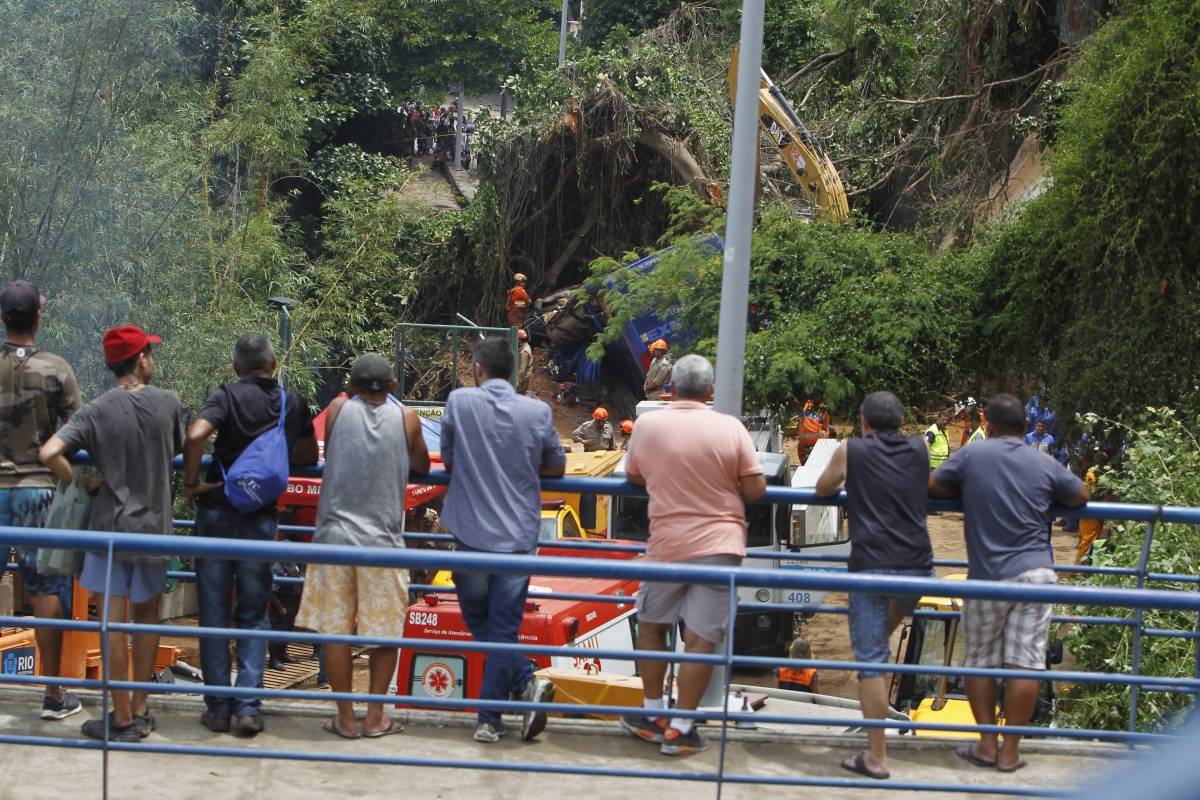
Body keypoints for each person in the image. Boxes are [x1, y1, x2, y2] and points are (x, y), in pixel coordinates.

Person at [929, 393, 1089, 773]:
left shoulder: (973, 455)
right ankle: (1011, 753)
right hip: (1036, 574)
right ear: (1024, 426)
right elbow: (1081, 495)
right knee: (1027, 664)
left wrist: (968, 488)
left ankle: (986, 746)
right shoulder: (1043, 460)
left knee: (980, 661)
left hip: (989, 578)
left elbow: (934, 487)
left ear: (990, 425)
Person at [39, 325, 183, 743]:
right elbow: (174, 449)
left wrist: (82, 482)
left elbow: (49, 453)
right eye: (149, 354)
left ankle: (119, 717)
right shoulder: (169, 403)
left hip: (110, 531)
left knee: (113, 623)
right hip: (155, 529)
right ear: (140, 359)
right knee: (148, 616)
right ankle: (141, 708)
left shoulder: (96, 410)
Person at [619, 354, 766, 757]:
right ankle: (682, 729)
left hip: (666, 545)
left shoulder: (648, 424)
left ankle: (652, 715)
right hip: (720, 547)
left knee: (650, 624)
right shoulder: (729, 427)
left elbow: (633, 475)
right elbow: (754, 491)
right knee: (701, 640)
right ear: (710, 392)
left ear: (670, 388)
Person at [182, 333, 317, 737]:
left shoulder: (226, 395)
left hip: (217, 513)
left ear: (237, 367)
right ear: (273, 364)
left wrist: (191, 483)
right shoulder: (292, 402)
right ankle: (248, 708)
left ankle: (219, 707)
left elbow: (194, 436)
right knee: (254, 612)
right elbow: (309, 456)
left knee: (214, 611)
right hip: (260, 518)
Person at [295, 354, 429, 740]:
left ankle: (345, 719)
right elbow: (420, 464)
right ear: (392, 387)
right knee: (384, 631)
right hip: (383, 542)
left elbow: (337, 445)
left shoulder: (337, 409)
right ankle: (375, 718)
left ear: (350, 387)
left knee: (336, 631)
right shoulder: (407, 418)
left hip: (334, 539)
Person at [440, 337, 565, 743]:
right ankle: (522, 685)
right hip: (517, 537)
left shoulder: (459, 403)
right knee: (502, 628)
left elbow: (451, 458)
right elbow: (556, 466)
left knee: (483, 621)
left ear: (477, 369)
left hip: (472, 534)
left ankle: (491, 717)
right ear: (513, 372)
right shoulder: (538, 411)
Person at [815, 390, 932, 780]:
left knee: (871, 662)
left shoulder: (853, 450)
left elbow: (823, 488)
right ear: (900, 422)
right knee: (879, 645)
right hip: (917, 568)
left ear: (864, 423)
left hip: (871, 567)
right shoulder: (920, 449)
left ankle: (877, 757)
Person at [0, 280, 83, 721]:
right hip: (36, 490)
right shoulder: (56, 369)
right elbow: (78, 429)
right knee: (44, 590)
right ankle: (54, 693)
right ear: (37, 317)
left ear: (2, 317)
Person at [516, 329, 533, 395]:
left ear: (519, 339)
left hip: (523, 378)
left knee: (519, 394)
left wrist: (517, 381)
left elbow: (522, 369)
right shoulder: (526, 346)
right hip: (524, 377)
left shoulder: (524, 352)